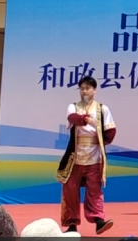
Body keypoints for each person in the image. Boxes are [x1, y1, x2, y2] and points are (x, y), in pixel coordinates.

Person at [56, 76, 116, 235]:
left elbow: (111, 130)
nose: (84, 91)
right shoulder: (73, 106)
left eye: (88, 88)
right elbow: (72, 118)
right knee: (70, 190)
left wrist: (101, 140)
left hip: (94, 155)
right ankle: (71, 225)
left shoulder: (103, 109)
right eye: (82, 88)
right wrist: (86, 119)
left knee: (94, 189)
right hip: (74, 156)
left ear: (94, 90)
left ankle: (99, 221)